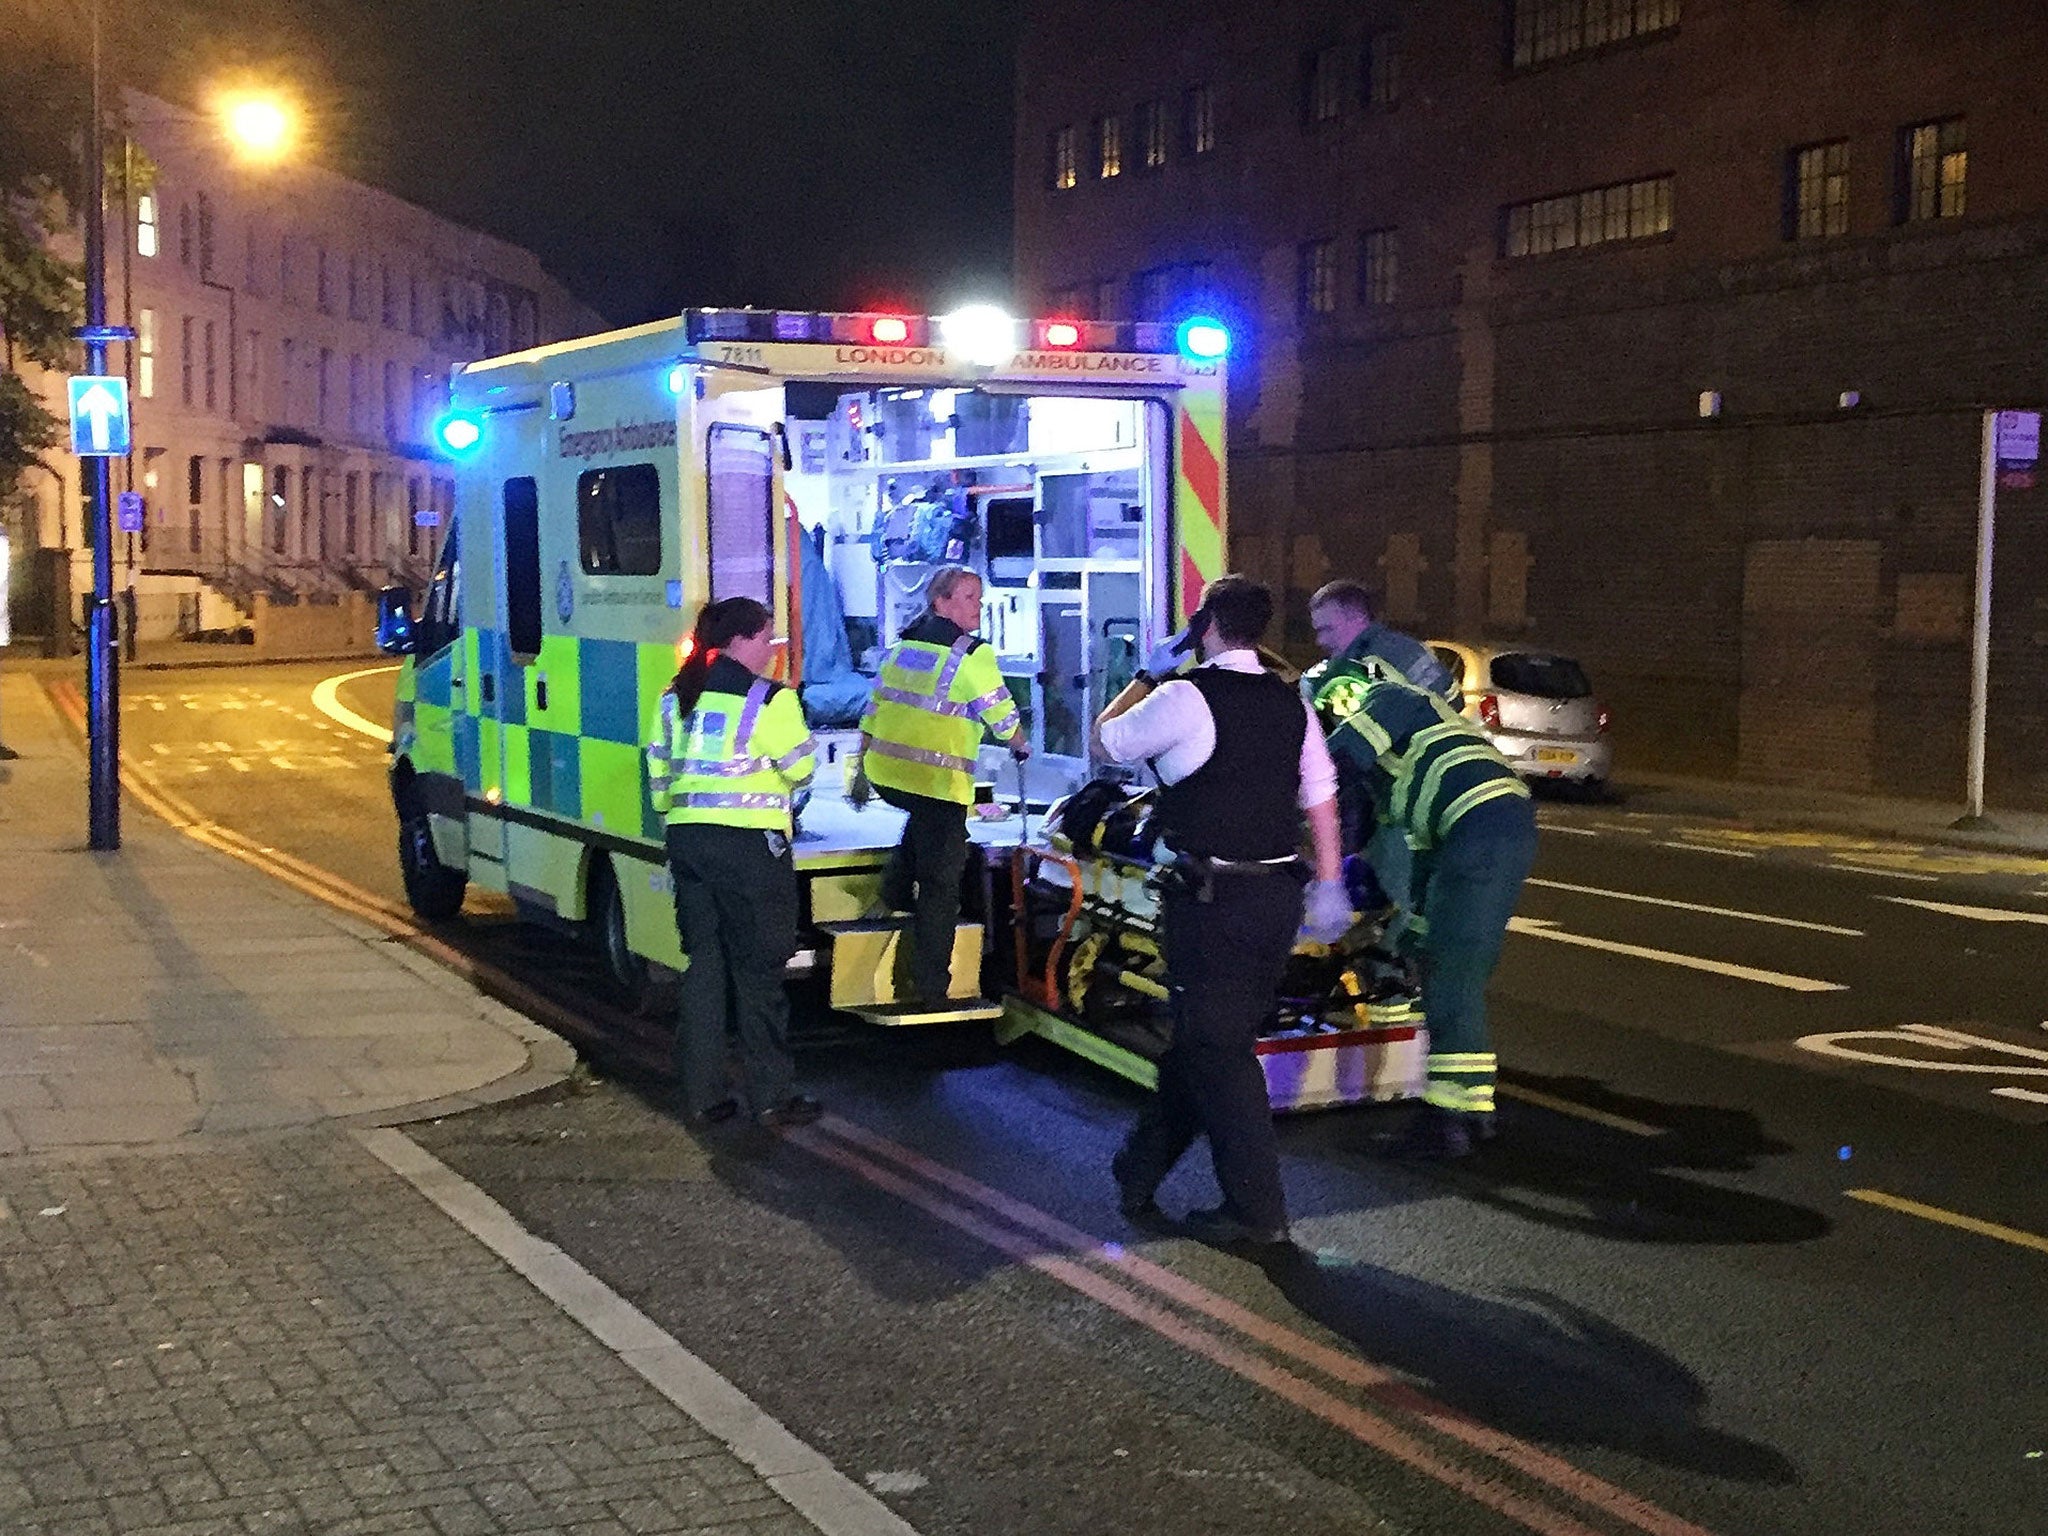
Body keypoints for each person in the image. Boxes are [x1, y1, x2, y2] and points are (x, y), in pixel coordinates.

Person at [1093, 574, 1353, 1248]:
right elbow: (1320, 796)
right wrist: (1330, 883)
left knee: (1221, 1053)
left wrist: (1147, 674)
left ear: (1204, 624)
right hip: (1276, 899)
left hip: (1212, 905)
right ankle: (1139, 1169)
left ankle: (1257, 1212)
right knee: (1207, 1039)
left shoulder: (1183, 696)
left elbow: (1105, 741)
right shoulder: (1290, 701)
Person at [1317, 661, 1536, 1159]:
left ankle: (1446, 1121)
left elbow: (1335, 764)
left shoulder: (1391, 698)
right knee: (1442, 954)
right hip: (1484, 828)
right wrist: (1409, 929)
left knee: (1452, 970)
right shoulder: (1404, 777)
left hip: (1479, 824)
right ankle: (1475, 1108)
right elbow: (1419, 857)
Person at [646, 597, 822, 1129]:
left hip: (688, 841)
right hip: (749, 850)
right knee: (759, 971)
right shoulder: (771, 700)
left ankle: (704, 1096)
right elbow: (803, 768)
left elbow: (658, 773)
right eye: (766, 638)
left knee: (705, 968)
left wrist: (679, 814)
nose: (771, 650)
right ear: (739, 642)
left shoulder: (676, 697)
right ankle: (771, 1094)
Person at [849, 566, 1029, 1006]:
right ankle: (932, 989)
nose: (978, 606)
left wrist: (857, 773)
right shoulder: (972, 655)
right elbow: (1000, 713)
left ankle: (892, 889)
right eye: (968, 597)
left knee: (928, 827)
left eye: (979, 598)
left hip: (888, 777)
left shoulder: (901, 649)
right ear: (941, 603)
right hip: (936, 782)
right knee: (940, 887)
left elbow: (873, 711)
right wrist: (1020, 744)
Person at [1302, 580, 1458, 913]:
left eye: (1327, 629)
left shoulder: (1370, 665)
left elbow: (1348, 759)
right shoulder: (1403, 652)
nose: (1321, 641)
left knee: (1395, 901)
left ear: (1356, 619)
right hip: (1418, 798)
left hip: (1403, 806)